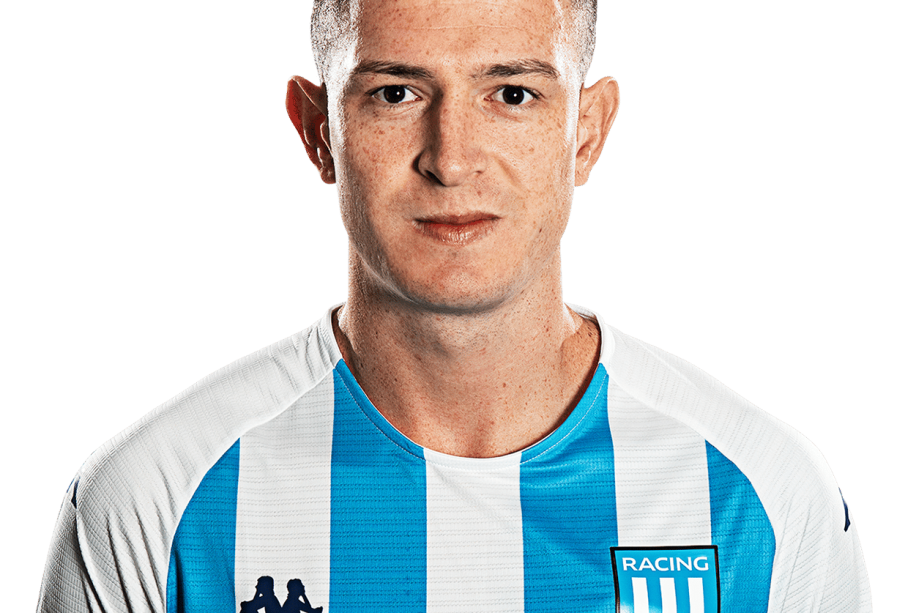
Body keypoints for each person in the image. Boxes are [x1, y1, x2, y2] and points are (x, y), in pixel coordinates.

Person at [37, 0, 871, 611]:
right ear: (315, 130)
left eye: (512, 93)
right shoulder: (152, 492)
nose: (451, 158)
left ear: (587, 132)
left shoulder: (763, 488)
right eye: (395, 93)